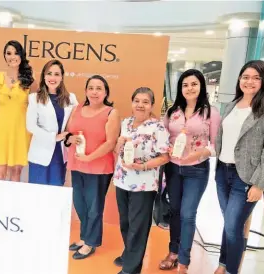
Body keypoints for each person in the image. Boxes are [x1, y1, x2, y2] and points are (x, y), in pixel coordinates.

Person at [159, 69, 221, 273]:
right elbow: (163, 137)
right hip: (173, 169)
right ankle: (173, 252)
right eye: (185, 85)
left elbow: (215, 145)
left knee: (187, 213)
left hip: (197, 169)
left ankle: (184, 261)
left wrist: (196, 155)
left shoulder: (211, 112)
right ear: (180, 88)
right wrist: (165, 147)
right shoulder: (172, 112)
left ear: (201, 86)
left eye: (194, 84)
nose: (189, 88)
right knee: (175, 211)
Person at [214, 60, 264, 274]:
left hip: (245, 177)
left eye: (256, 77)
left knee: (234, 227)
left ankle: (230, 270)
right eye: (246, 77)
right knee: (229, 224)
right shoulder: (232, 105)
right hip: (222, 171)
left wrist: (260, 184)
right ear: (239, 80)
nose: (250, 81)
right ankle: (223, 264)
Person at [113, 87, 170, 274]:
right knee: (125, 223)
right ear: (132, 103)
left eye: (145, 102)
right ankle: (130, 254)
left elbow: (164, 157)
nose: (140, 105)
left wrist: (143, 166)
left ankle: (131, 269)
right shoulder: (126, 122)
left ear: (151, 105)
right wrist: (119, 144)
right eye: (137, 100)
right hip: (122, 180)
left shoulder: (158, 127)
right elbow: (117, 151)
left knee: (138, 226)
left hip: (144, 184)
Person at [65, 75, 120, 260]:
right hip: (77, 163)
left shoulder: (111, 112)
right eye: (91, 88)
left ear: (105, 92)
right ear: (86, 91)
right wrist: (70, 139)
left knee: (94, 206)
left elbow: (110, 143)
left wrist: (89, 157)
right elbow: (69, 133)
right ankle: (84, 237)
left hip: (99, 167)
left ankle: (91, 243)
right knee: (80, 204)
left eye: (99, 88)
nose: (94, 92)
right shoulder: (77, 108)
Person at [0, 40, 34, 181]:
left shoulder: (30, 80)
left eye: (16, 53)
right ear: (4, 56)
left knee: (16, 173)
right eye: (8, 53)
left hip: (20, 130)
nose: (12, 56)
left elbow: (36, 108)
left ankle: (13, 203)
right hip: (1, 130)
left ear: (21, 55)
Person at [27, 59, 78, 186]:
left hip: (60, 154)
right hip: (40, 152)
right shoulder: (34, 98)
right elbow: (31, 126)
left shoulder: (71, 98)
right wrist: (53, 137)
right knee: (37, 194)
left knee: (56, 193)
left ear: (62, 77)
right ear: (44, 76)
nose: (52, 77)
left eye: (57, 74)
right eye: (49, 73)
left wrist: (68, 137)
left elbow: (76, 121)